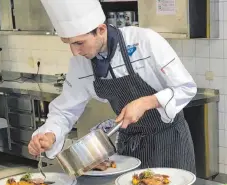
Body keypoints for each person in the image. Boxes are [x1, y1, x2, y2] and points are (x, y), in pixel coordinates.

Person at [28, 0, 197, 173]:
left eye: (79, 43)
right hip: (130, 146)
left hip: (170, 141)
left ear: (101, 30)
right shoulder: (80, 65)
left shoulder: (144, 41)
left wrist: (146, 102)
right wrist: (50, 134)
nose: (75, 52)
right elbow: (65, 110)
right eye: (69, 43)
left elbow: (186, 88)